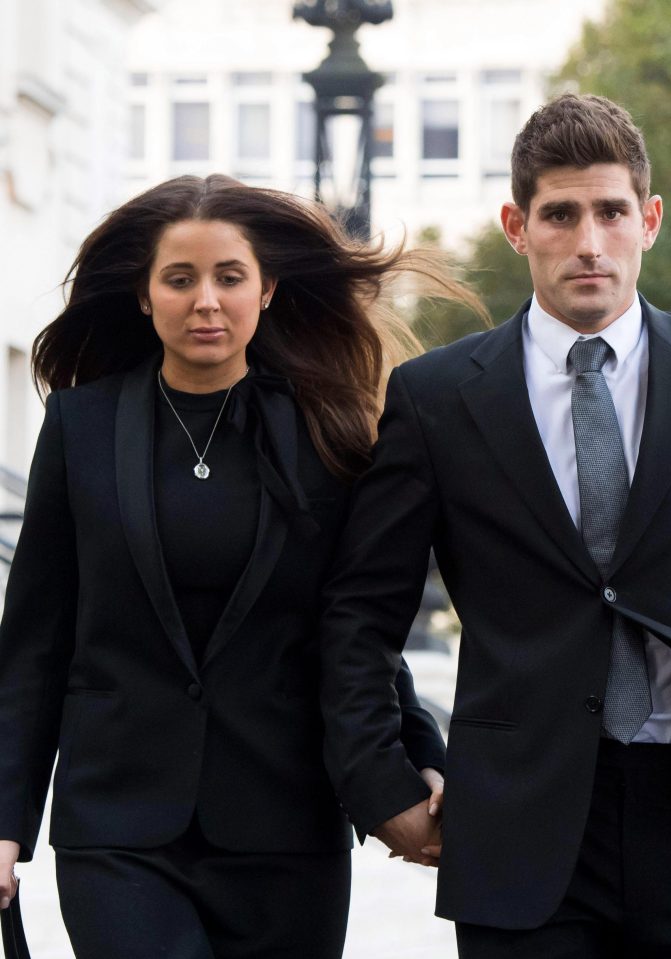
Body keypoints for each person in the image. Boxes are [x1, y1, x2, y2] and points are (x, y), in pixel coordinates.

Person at [319, 93, 671, 957]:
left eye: (612, 212)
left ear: (649, 219)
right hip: (521, 824)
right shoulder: (438, 399)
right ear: (517, 225)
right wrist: (383, 786)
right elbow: (359, 613)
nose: (589, 242)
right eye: (560, 214)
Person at [0, 174, 455, 958]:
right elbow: (34, 642)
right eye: (180, 279)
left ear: (268, 289)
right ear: (145, 297)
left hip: (284, 825)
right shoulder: (81, 427)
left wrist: (420, 755)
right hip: (119, 828)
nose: (205, 300)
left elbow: (354, 629)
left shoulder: (327, 434)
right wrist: (5, 820)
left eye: (229, 277)